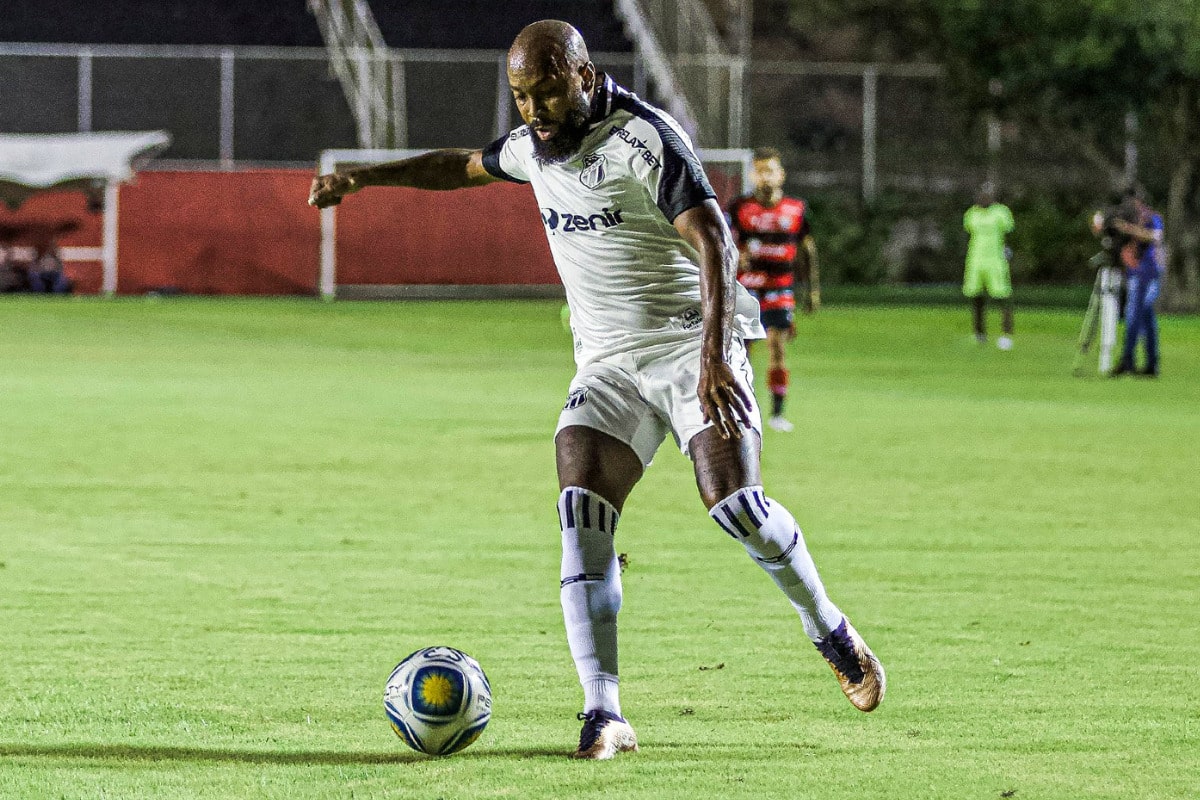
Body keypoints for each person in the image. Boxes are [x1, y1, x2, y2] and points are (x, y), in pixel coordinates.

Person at [309, 20, 884, 760]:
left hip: (689, 343)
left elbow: (714, 238)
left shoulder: (642, 137)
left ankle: (829, 629)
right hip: (609, 364)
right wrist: (364, 177)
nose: (533, 110)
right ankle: (603, 712)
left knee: (737, 507)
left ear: (582, 75)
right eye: (520, 96)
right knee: (581, 508)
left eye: (546, 91)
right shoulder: (532, 146)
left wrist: (713, 353)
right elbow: (460, 166)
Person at [727, 147, 819, 433]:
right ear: (752, 174)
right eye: (760, 170)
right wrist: (734, 257)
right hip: (747, 289)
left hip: (780, 288)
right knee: (742, 352)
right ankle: (743, 409)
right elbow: (724, 243)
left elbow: (808, 250)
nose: (765, 176)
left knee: (777, 348)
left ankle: (778, 413)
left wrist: (813, 291)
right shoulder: (739, 207)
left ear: (781, 175)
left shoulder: (796, 209)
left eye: (771, 170)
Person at [1109, 190, 1164, 377]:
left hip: (1149, 274)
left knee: (1137, 315)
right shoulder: (1131, 220)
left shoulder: (1151, 218)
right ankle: (1147, 363)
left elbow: (1155, 236)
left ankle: (1131, 360)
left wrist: (1128, 229)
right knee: (1143, 318)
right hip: (1136, 273)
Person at [962, 184, 1015, 349]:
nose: (983, 198)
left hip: (995, 260)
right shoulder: (971, 214)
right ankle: (979, 333)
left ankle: (1006, 334)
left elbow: (1008, 233)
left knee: (1001, 295)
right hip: (976, 260)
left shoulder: (1001, 213)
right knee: (976, 296)